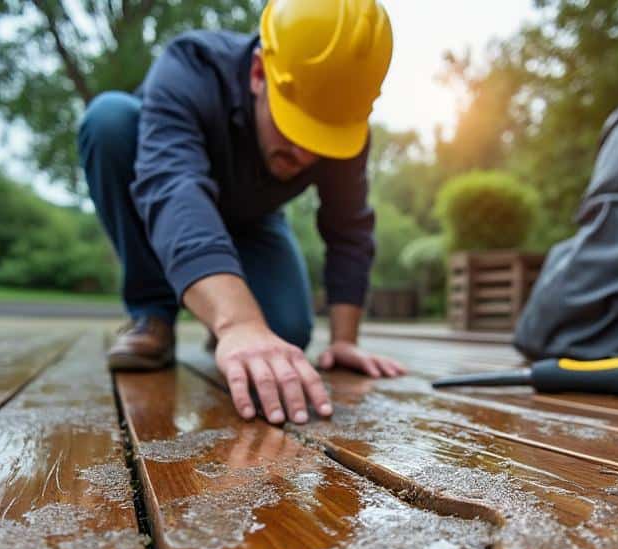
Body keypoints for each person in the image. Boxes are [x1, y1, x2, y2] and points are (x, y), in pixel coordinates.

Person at [78, 0, 407, 426]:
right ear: (258, 74)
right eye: (295, 126)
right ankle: (152, 314)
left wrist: (344, 341)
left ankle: (223, 321)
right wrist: (237, 321)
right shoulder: (191, 66)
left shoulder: (344, 125)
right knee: (108, 120)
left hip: (253, 220)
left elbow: (349, 230)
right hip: (171, 201)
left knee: (285, 334)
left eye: (322, 138)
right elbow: (173, 187)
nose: (306, 153)